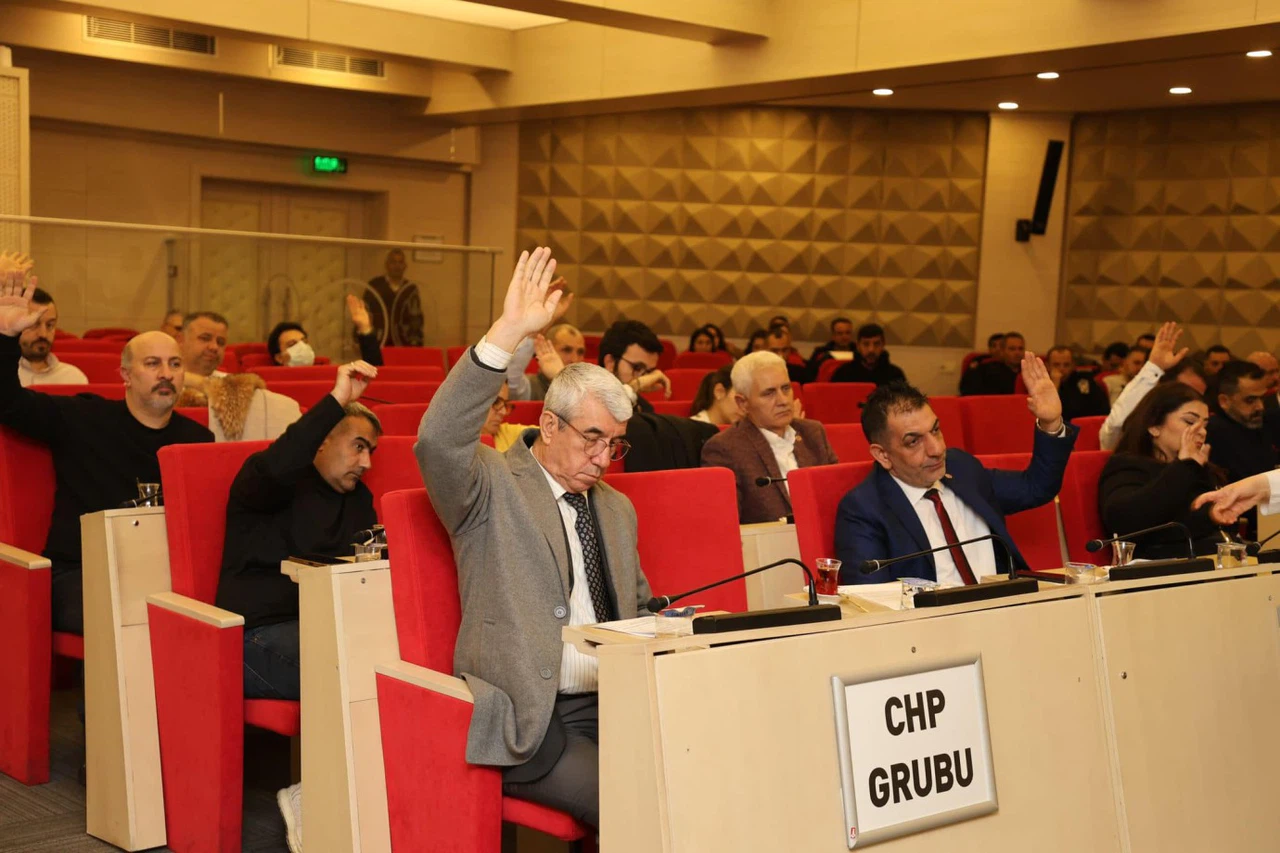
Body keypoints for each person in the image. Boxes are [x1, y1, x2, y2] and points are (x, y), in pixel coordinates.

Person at [418, 247, 650, 830]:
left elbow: (639, 609)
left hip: (620, 704)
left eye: (615, 444)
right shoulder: (491, 486)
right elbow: (438, 441)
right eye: (592, 438)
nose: (604, 459)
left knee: (708, 779)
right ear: (548, 424)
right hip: (532, 722)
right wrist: (507, 333)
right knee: (639, 805)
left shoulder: (616, 509)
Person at [215, 360, 381, 853]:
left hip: (318, 631)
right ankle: (314, 797)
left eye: (371, 451)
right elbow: (278, 461)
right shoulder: (266, 487)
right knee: (347, 670)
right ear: (321, 440)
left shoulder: (359, 499)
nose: (366, 462)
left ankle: (367, 803)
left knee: (390, 666)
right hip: (252, 637)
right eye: (358, 446)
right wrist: (336, 399)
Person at [0, 272, 212, 633]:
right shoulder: (83, 417)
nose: (166, 374)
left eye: (175, 364)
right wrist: (5, 337)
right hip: (80, 574)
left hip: (161, 575)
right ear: (126, 375)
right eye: (152, 364)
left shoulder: (198, 441)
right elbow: (8, 402)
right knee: (141, 614)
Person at [836, 354, 1076, 584]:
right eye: (913, 441)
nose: (936, 449)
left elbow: (1037, 487)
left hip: (1007, 604)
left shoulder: (961, 467)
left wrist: (1051, 423)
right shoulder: (864, 509)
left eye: (935, 430)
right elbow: (871, 597)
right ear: (883, 455)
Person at [700, 351, 838, 524]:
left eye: (786, 388)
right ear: (743, 403)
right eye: (769, 393)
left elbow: (838, 496)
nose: (783, 401)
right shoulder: (724, 448)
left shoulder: (813, 433)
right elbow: (726, 525)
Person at [1098, 382, 1229, 559]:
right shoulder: (1127, 465)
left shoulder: (1199, 468)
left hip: (1216, 561)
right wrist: (1184, 467)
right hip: (1161, 567)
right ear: (1154, 426)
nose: (1202, 432)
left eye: (1205, 424)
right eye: (1190, 422)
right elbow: (1125, 523)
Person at [1098, 322, 1205, 451]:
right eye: (1185, 395)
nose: (1201, 431)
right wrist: (1154, 367)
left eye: (1199, 396)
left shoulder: (1207, 435)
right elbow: (1115, 428)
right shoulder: (1137, 439)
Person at [1205, 361, 1276, 519]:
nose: (1260, 406)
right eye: (1250, 400)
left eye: (1262, 398)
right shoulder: (1213, 432)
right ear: (1224, 401)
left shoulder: (1264, 422)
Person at [267, 295, 383, 367]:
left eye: (305, 342)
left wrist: (365, 328)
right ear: (279, 358)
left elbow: (375, 372)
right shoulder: (269, 389)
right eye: (292, 344)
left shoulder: (328, 375)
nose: (302, 347)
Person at [17, 287, 88, 387]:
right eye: (33, 325)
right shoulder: (4, 376)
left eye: (49, 325)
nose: (43, 334)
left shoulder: (74, 378)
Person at [597, 319, 670, 413]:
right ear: (610, 363)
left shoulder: (644, 408)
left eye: (649, 372)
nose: (644, 379)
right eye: (637, 367)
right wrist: (635, 386)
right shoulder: (585, 399)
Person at [364, 248, 424, 347]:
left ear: (405, 266)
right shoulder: (374, 285)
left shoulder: (410, 289)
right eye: (393, 262)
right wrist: (361, 339)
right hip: (378, 341)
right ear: (387, 265)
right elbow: (365, 313)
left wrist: (415, 342)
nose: (397, 266)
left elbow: (416, 318)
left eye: (400, 262)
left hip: (403, 343)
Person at [830, 323, 907, 386]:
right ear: (858, 345)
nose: (871, 349)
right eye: (866, 344)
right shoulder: (843, 374)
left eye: (876, 344)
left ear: (883, 345)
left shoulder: (895, 375)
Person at [960, 331, 1025, 395]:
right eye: (1012, 349)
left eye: (1020, 349)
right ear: (1002, 351)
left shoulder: (1027, 370)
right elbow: (967, 391)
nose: (1017, 353)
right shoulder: (985, 370)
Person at [175, 311, 230, 385]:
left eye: (220, 342)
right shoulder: (162, 381)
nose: (214, 347)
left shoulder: (231, 385)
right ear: (181, 340)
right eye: (205, 338)